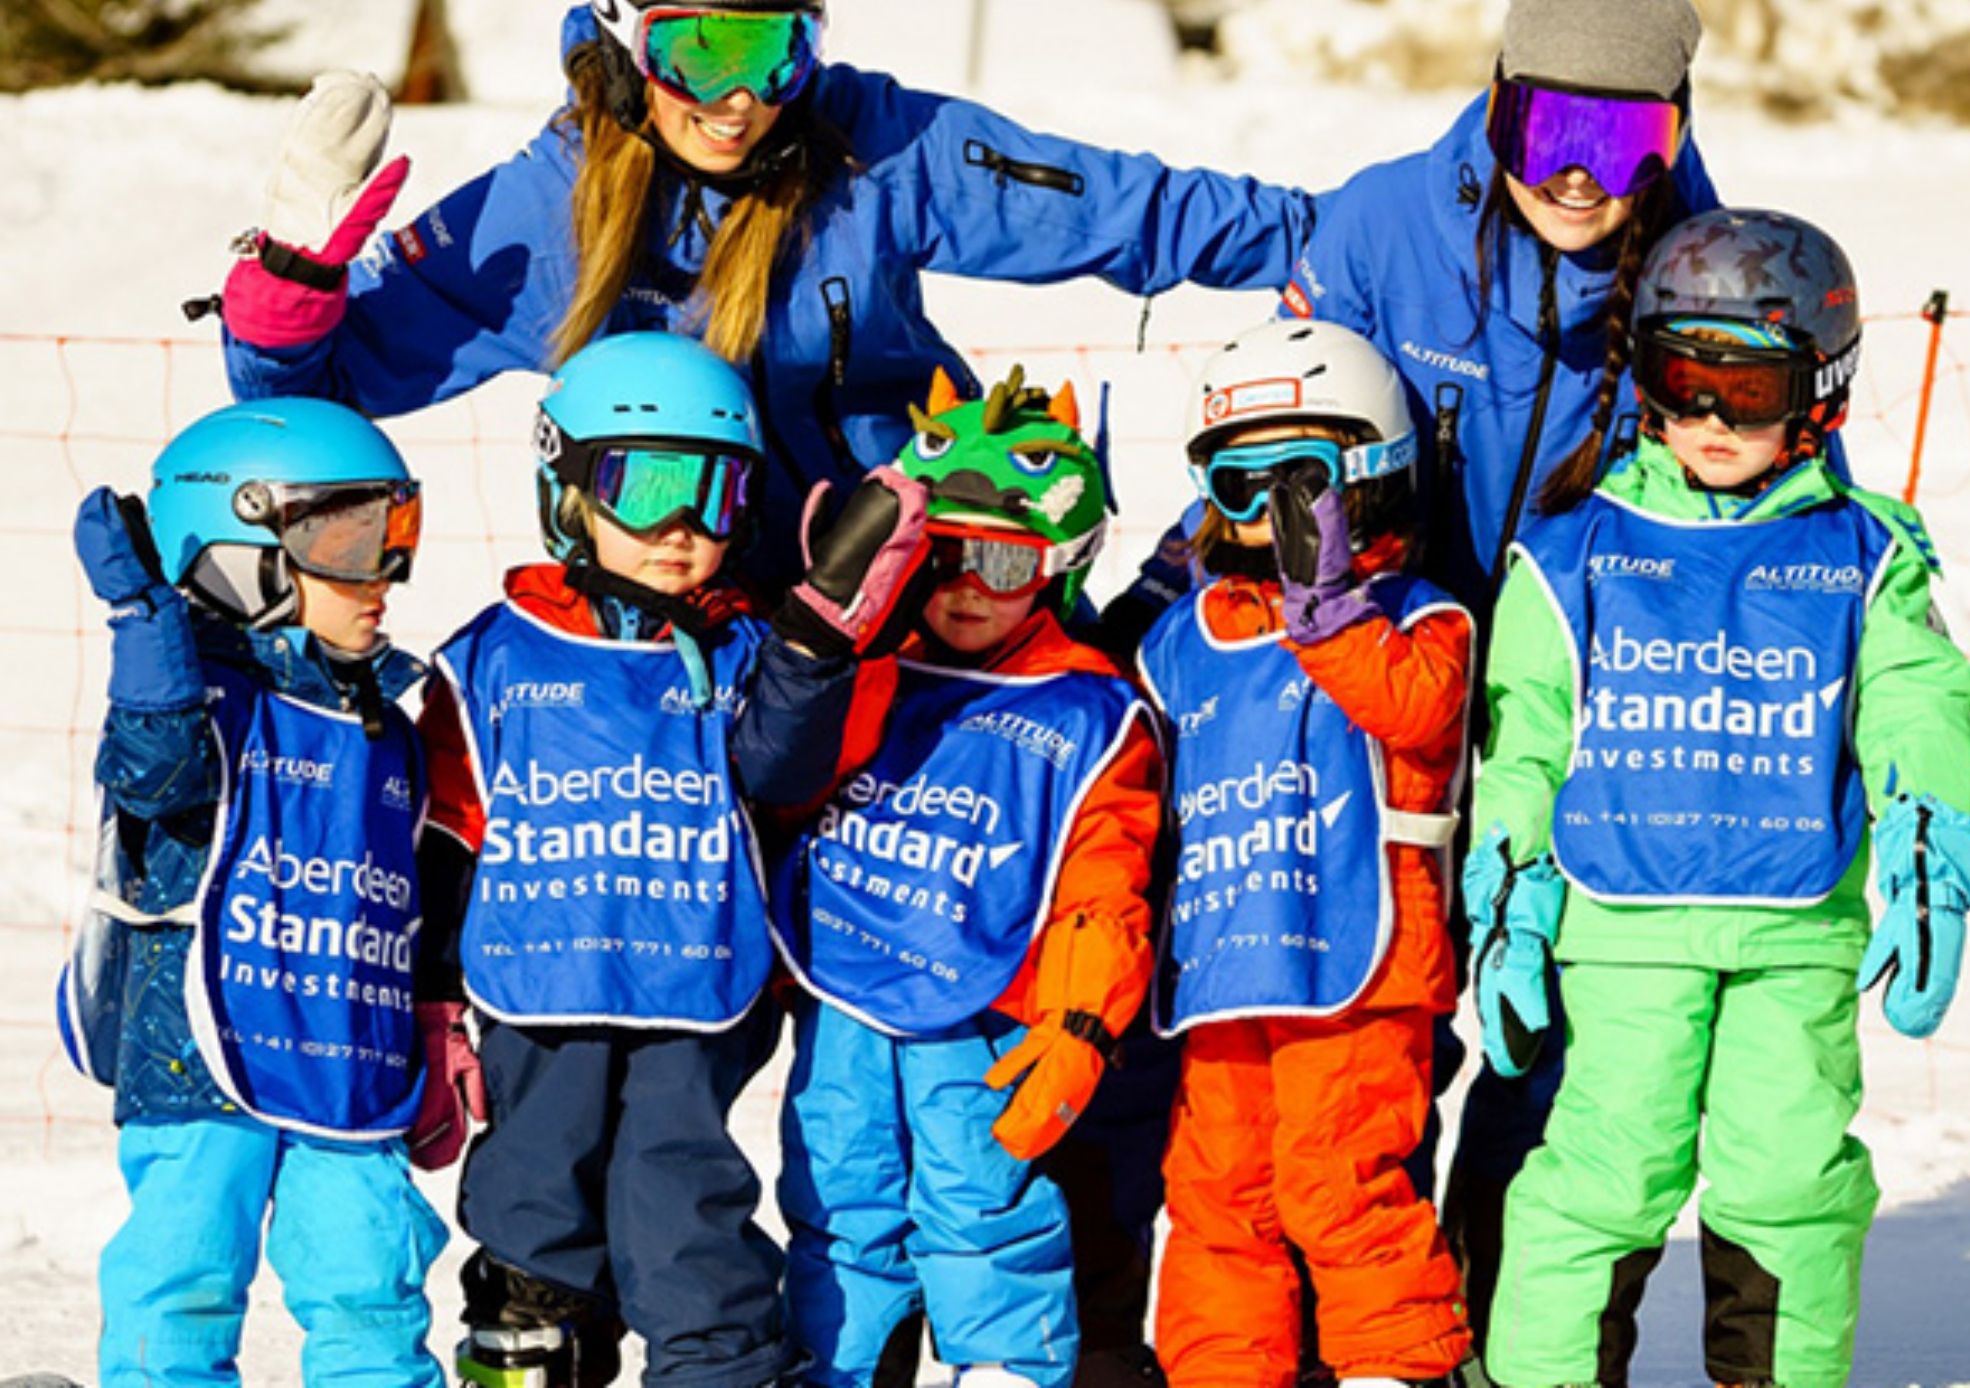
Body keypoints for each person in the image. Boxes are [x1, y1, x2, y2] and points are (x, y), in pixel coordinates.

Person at [211, 0, 1321, 601]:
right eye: (697, 52)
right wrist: (293, 284)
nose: (740, 99)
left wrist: (1327, 247)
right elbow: (317, 392)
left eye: (776, 52)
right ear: (620, 36)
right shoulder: (551, 210)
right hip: (694, 613)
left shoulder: (869, 144)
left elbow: (1128, 208)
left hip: (929, 588)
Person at [1250, 0, 1725, 1340]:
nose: (1581, 181)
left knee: (1550, 1054)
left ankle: (1522, 1344)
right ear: (1500, 104)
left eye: (1625, 141)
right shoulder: (1385, 224)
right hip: (1376, 706)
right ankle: (1338, 1338)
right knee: (1361, 1043)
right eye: (1552, 136)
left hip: (1573, 730)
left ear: (1677, 133)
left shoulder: (1703, 267)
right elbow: (1286, 432)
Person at [1466, 208, 1970, 1388]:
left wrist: (1924, 842)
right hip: (1624, 928)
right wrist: (1507, 883)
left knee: (1788, 1179)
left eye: (1742, 390)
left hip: (1791, 928)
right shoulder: (1574, 551)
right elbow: (1528, 736)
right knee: (1602, 1170)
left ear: (1816, 390)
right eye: (1679, 380)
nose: (1706, 419)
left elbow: (1912, 705)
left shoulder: (1864, 553)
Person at [411, 331, 934, 1388]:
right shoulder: (495, 655)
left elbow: (780, 772)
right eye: (643, 485)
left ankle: (718, 1366)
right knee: (529, 1201)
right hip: (537, 989)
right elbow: (449, 835)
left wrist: (812, 643)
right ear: (566, 486)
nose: (680, 526)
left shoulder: (743, 649)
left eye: (714, 493)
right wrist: (429, 1001)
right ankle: (532, 1351)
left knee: (678, 1204)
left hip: (687, 987)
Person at [765, 368, 1161, 1388]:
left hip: (987, 1014)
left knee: (983, 1209)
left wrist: (1078, 1024)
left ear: (1059, 563)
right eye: (943, 555)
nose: (969, 588)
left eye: (1002, 558)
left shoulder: (1086, 709)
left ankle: (1003, 1370)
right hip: (845, 997)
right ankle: (840, 1368)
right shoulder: (875, 669)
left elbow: (1100, 883)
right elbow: (781, 785)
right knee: (837, 1199)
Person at [60, 399, 446, 1388]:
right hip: (198, 1057)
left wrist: (436, 1025)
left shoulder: (385, 727)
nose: (384, 575)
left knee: (370, 1283)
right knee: (183, 1278)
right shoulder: (202, 708)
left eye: (393, 535)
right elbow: (158, 780)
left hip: (345, 1060)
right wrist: (149, 633)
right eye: (350, 540)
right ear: (241, 552)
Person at [1137, 319, 1476, 1388]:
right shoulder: (1179, 635)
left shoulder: (1418, 623)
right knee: (1216, 1192)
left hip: (1357, 967)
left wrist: (1326, 612)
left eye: (1297, 483)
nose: (1266, 518)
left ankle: (1388, 1367)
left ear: (1371, 475)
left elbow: (1415, 716)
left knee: (1340, 1179)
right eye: (1237, 489)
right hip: (1226, 967)